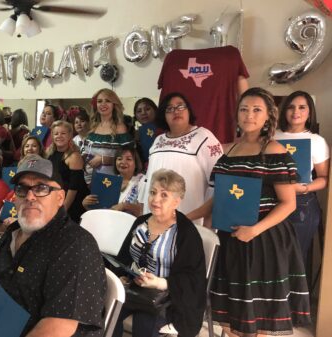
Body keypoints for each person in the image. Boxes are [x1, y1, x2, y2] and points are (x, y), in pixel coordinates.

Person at [188, 87, 311, 336]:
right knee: (232, 317)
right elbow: (218, 199)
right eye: (244, 109)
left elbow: (288, 203)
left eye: (257, 110)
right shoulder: (228, 151)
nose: (249, 115)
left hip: (263, 242)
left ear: (268, 116)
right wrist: (184, 217)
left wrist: (254, 230)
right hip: (230, 240)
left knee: (257, 318)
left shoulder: (275, 151)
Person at [0, 154, 106, 337]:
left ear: (60, 197)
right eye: (22, 189)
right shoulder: (12, 232)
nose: (30, 196)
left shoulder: (76, 245)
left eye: (41, 188)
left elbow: (59, 326)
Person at [112, 169, 205, 337]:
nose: (155, 199)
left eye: (164, 195)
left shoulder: (186, 233)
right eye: (153, 192)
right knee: (106, 311)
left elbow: (193, 280)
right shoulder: (141, 222)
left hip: (168, 297)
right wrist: (122, 275)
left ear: (176, 202)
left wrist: (160, 283)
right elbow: (124, 257)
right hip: (134, 289)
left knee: (145, 326)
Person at [139, 92, 222, 226]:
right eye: (169, 109)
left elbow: (218, 185)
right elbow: (149, 181)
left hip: (188, 219)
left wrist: (207, 225)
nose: (175, 111)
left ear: (189, 110)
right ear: (164, 115)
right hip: (155, 217)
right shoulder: (158, 141)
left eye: (180, 106)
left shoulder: (204, 137)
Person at [275, 90, 329, 287]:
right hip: (272, 203)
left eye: (301, 107)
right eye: (290, 106)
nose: (295, 111)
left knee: (295, 259)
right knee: (273, 257)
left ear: (309, 112)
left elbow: (324, 179)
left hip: (302, 205)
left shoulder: (317, 141)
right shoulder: (273, 136)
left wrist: (304, 188)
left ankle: (294, 311)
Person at [81, 89, 132, 184]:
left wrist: (103, 159)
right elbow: (86, 151)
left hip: (111, 182)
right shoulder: (93, 127)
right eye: (99, 101)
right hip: (90, 181)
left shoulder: (120, 128)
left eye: (108, 101)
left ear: (114, 104)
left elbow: (130, 159)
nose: (103, 104)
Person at [83, 144, 145, 216]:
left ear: (136, 163)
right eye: (119, 159)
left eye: (128, 159)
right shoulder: (108, 182)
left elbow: (144, 211)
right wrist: (86, 204)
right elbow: (99, 212)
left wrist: (125, 206)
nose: (123, 162)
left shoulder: (142, 181)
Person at [47, 121, 88, 223]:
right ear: (52, 136)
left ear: (70, 135)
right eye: (56, 133)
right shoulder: (49, 153)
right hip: (57, 198)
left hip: (72, 203)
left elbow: (73, 188)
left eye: (63, 133)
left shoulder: (74, 156)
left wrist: (63, 210)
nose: (59, 136)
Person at [133, 98, 159, 165]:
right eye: (139, 111)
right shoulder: (135, 133)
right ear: (135, 115)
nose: (143, 113)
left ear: (155, 110)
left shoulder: (164, 129)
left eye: (147, 109)